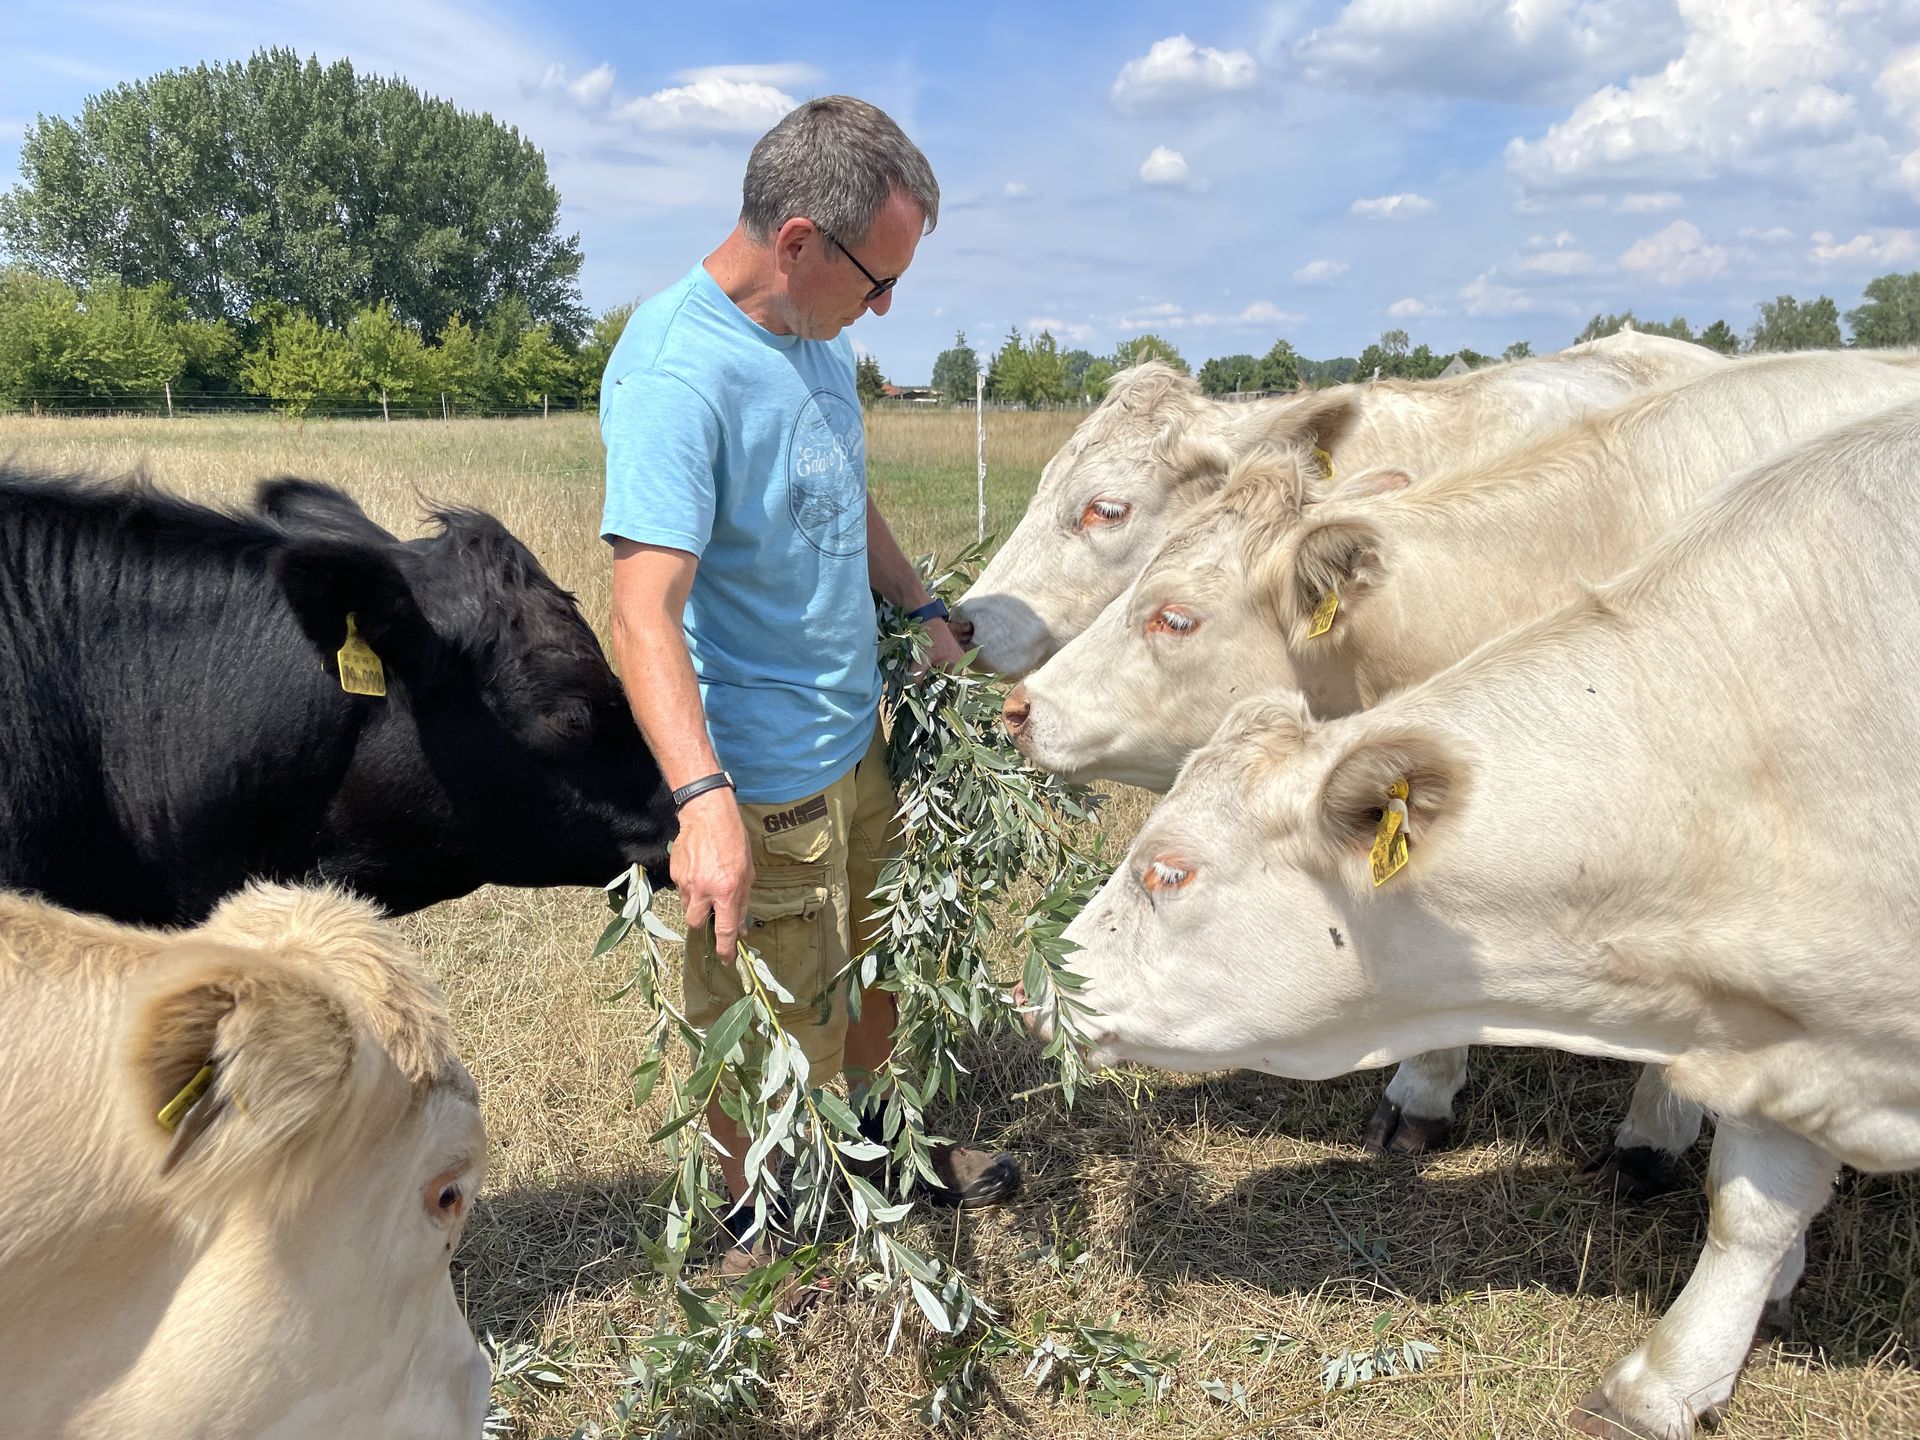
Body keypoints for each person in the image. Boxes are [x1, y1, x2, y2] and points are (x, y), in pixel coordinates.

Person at [599, 96, 1021, 1276]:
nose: (884, 309)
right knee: (762, 1010)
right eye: (877, 280)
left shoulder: (815, 337)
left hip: (853, 734)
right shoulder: (678, 373)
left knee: (880, 959)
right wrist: (703, 803)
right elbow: (643, 613)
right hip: (758, 770)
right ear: (797, 241)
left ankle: (885, 1149)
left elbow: (839, 484)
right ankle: (754, 1223)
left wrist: (921, 607)